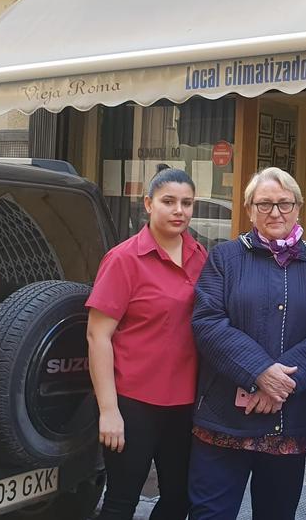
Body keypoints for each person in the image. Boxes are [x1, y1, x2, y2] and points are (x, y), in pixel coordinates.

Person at [188, 167, 306, 520]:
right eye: (265, 204)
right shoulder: (224, 257)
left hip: (288, 421)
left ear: (299, 208)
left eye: (285, 204)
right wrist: (259, 372)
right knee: (210, 514)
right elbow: (207, 322)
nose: (275, 213)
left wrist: (281, 384)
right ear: (249, 209)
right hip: (224, 419)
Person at [86, 168, 208, 520]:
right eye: (168, 202)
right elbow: (98, 336)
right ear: (148, 204)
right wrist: (109, 410)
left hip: (186, 403)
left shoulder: (202, 257)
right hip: (133, 402)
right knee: (122, 501)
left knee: (179, 499)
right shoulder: (124, 259)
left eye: (186, 203)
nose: (178, 211)